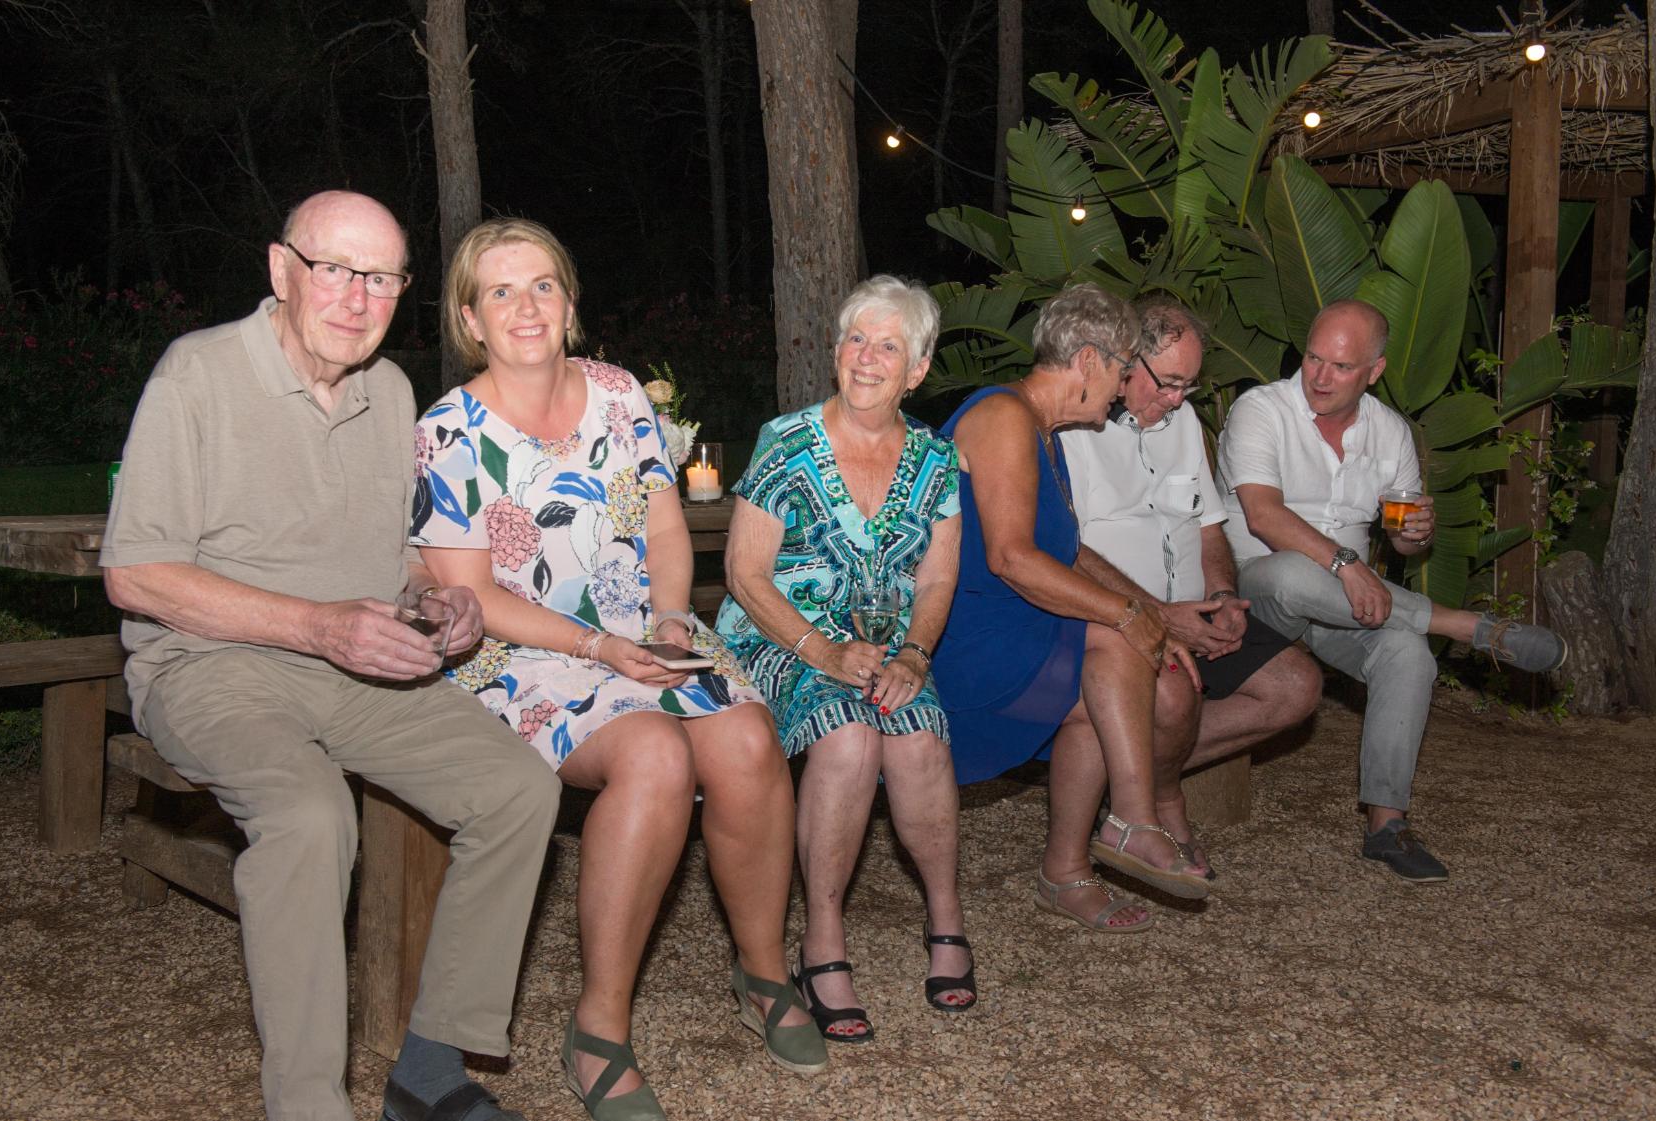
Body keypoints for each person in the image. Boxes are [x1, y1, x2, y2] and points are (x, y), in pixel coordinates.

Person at [101, 190, 559, 1121]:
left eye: (382, 279)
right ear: (282, 270)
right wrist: (316, 626)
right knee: (310, 817)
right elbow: (136, 574)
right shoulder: (197, 375)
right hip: (212, 665)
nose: (357, 298)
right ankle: (308, 1104)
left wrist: (434, 600)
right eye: (335, 270)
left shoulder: (388, 393)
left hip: (358, 665)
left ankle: (429, 1070)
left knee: (518, 788)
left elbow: (390, 560)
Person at [411, 217, 824, 1121]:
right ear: (470, 319)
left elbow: (666, 526)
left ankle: (762, 971)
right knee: (654, 755)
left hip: (642, 630)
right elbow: (469, 594)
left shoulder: (619, 392)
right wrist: (598, 648)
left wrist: (671, 617)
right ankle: (598, 1026)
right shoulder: (448, 431)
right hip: (519, 655)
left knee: (748, 740)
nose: (526, 306)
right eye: (500, 291)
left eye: (543, 285)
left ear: (570, 301)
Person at [1217, 298, 1568, 883]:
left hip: (1345, 606)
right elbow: (1263, 517)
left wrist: (1414, 535)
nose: (1320, 376)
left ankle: (1386, 824)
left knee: (1407, 654)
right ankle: (1463, 626)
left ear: (1374, 371)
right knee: (1289, 572)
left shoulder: (1390, 432)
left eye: (1341, 366)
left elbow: (1403, 543)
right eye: (1313, 358)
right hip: (1258, 593)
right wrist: (1346, 564)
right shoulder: (1262, 410)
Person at [715, 275, 971, 1045]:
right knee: (850, 735)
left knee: (917, 735)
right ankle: (821, 936)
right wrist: (820, 650)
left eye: (888, 346)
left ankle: (946, 916)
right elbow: (744, 574)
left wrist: (916, 656)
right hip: (779, 635)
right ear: (836, 351)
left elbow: (939, 578)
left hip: (889, 647)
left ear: (916, 369)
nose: (866, 357)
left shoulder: (937, 460)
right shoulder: (785, 441)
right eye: (856, 339)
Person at [932, 283, 1212, 938]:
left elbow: (1067, 554)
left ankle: (1067, 869)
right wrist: (1128, 614)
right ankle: (1132, 821)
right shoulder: (1003, 416)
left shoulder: (1043, 431)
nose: (1120, 389)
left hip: (1004, 625)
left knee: (1099, 692)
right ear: (1087, 360)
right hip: (961, 639)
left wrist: (1143, 610)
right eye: (1121, 369)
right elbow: (1010, 558)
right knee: (1114, 640)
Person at [1060, 296, 1322, 875]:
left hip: (1191, 610)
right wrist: (1157, 614)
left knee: (1296, 687)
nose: (1179, 399)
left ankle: (1127, 778)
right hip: (1117, 620)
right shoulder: (1071, 431)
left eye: (1189, 386)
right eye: (1169, 383)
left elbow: (1208, 528)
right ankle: (1162, 800)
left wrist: (1223, 596)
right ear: (1125, 360)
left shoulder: (1183, 424)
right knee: (1175, 694)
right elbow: (1064, 552)